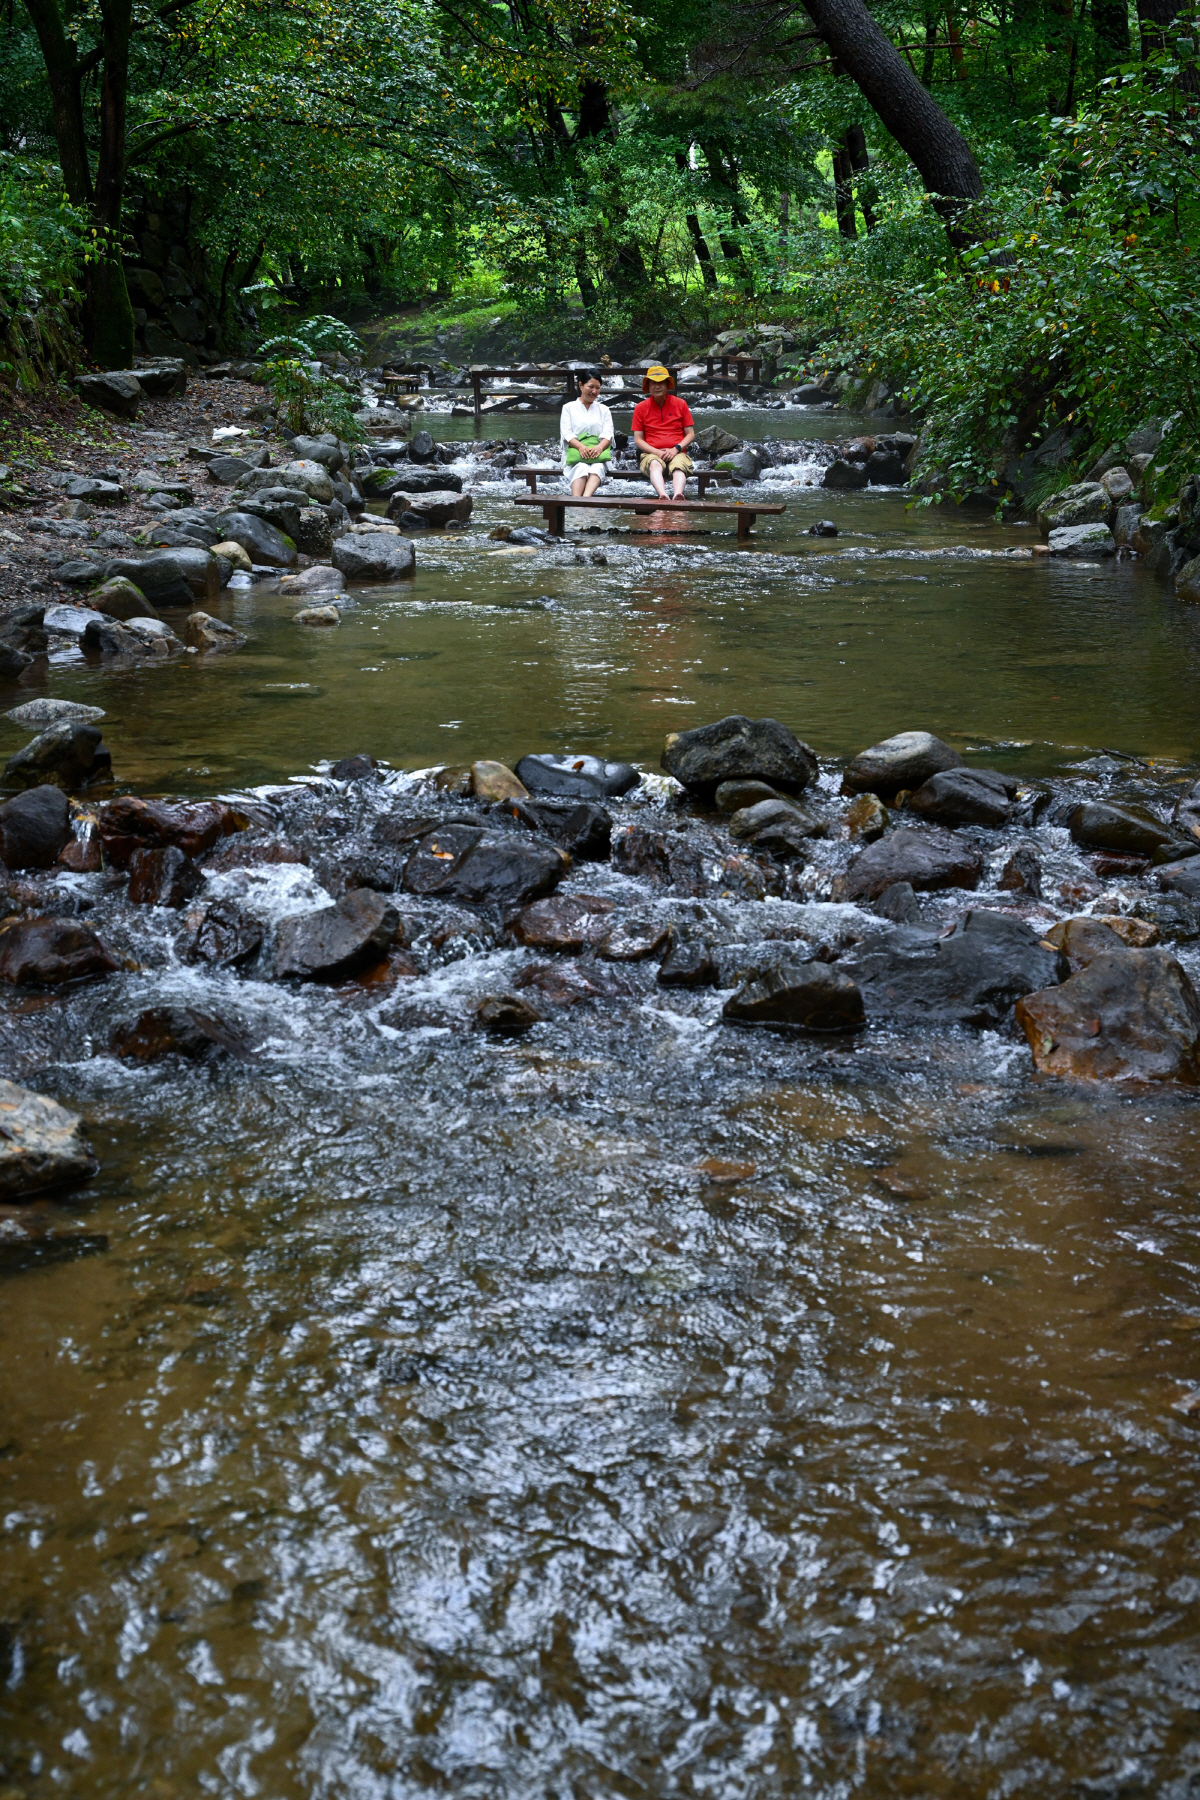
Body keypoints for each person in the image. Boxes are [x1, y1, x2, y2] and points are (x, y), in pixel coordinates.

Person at [631, 364, 695, 500]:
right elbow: (638, 439)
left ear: (667, 385)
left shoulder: (680, 404)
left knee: (678, 466)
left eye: (661, 382)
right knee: (654, 464)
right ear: (648, 386)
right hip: (651, 453)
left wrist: (676, 449)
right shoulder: (640, 408)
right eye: (653, 383)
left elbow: (690, 434)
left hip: (677, 451)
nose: (657, 386)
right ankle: (663, 494)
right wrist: (657, 452)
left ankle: (678, 494)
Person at [560, 369, 615, 499]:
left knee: (597, 467)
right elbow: (566, 432)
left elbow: (608, 434)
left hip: (598, 452)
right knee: (581, 468)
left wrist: (599, 447)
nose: (594, 391)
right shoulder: (568, 408)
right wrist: (580, 447)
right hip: (575, 451)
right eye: (590, 387)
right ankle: (577, 501)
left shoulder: (604, 410)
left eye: (597, 388)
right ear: (581, 385)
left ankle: (584, 501)